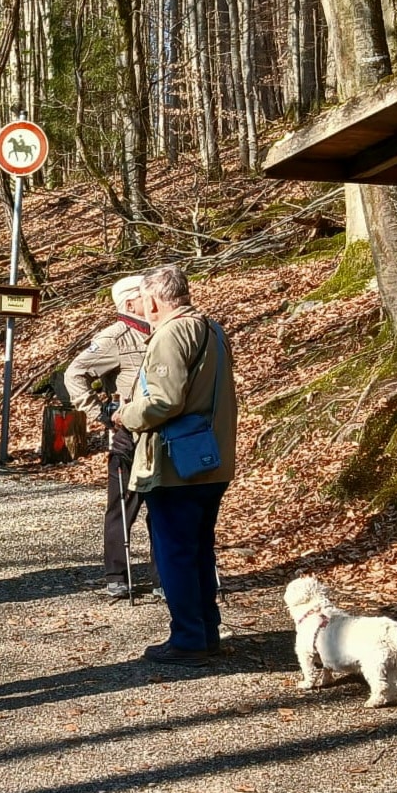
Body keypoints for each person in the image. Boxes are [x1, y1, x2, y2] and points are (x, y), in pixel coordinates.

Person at [116, 264, 236, 668]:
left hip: (176, 464)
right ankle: (206, 631)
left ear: (152, 299)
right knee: (199, 549)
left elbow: (164, 401)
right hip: (211, 459)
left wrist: (126, 416)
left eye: (141, 300)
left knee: (175, 552)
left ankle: (188, 639)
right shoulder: (212, 328)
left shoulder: (171, 334)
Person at [65, 274, 150, 601]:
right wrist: (99, 413)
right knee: (122, 505)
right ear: (130, 303)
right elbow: (75, 374)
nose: (152, 299)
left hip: (160, 431)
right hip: (127, 433)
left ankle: (162, 578)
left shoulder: (163, 332)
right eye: (145, 295)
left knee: (161, 508)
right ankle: (117, 575)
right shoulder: (115, 337)